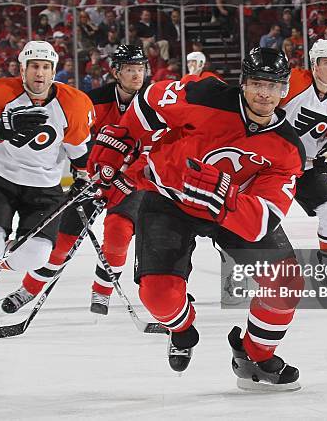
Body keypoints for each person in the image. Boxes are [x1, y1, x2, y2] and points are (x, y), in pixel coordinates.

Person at [87, 47, 306, 390]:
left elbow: (263, 220)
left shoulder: (288, 148)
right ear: (243, 83)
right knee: (158, 298)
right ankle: (182, 328)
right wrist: (124, 136)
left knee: (286, 282)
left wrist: (224, 196)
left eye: (274, 85)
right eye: (257, 83)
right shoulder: (204, 94)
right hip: (168, 200)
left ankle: (255, 355)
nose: (264, 93)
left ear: (285, 89)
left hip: (229, 213)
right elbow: (149, 102)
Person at [0, 41, 95, 333]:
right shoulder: (0, 92)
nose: (39, 73)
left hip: (44, 187)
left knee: (35, 256)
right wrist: (0, 129)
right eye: (34, 66)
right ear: (22, 69)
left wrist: (82, 177)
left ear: (54, 71)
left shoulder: (75, 103)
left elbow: (79, 149)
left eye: (45, 67)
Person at [0, 45, 150, 316]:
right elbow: (74, 139)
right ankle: (29, 289)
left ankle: (101, 291)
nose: (137, 75)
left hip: (130, 183)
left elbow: (157, 147)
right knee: (63, 239)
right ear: (116, 72)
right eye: (130, 69)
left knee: (118, 234)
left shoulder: (152, 102)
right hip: (93, 179)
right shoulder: (91, 101)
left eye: (140, 69)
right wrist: (85, 171)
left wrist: (129, 177)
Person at [279, 39, 327, 289]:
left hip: (306, 169)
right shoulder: (292, 82)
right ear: (314, 64)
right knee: (259, 219)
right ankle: (246, 271)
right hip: (270, 166)